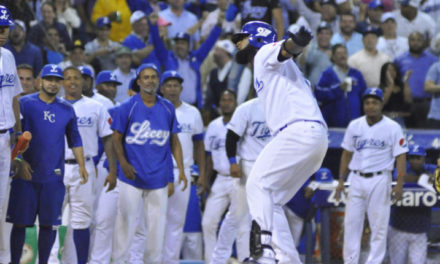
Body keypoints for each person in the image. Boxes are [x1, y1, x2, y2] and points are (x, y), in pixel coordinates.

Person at [232, 21, 328, 263]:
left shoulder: (265, 52)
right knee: (271, 200)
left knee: (257, 184)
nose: (237, 43)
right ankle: (287, 259)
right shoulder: (273, 68)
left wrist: (298, 42)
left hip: (297, 131)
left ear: (256, 38)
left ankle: (263, 253)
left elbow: (285, 50)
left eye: (241, 38)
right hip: (314, 137)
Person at [7, 64, 87, 264]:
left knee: (48, 225)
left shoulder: (67, 109)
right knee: (19, 224)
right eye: (49, 79)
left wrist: (82, 166)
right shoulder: (24, 104)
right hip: (26, 174)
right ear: (40, 81)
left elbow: (75, 139)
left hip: (53, 176)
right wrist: (18, 160)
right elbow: (13, 137)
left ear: (60, 84)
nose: (53, 83)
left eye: (56, 80)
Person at [111, 63, 187, 263]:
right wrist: (123, 164)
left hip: (158, 178)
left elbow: (174, 141)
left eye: (154, 77)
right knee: (124, 228)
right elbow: (116, 139)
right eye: (146, 77)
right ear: (138, 81)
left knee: (156, 231)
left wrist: (180, 170)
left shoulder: (167, 108)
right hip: (131, 177)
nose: (150, 81)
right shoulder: (128, 107)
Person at [335, 88, 408, 264]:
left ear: (382, 104)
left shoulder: (393, 127)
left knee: (379, 227)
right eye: (367, 102)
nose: (370, 106)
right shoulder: (355, 125)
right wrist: (341, 180)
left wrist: (399, 183)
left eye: (375, 102)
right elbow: (346, 154)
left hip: (380, 178)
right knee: (352, 225)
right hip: (356, 178)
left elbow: (401, 156)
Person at [54, 66, 116, 264]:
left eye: (76, 78)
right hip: (57, 167)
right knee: (52, 219)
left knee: (83, 221)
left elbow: (108, 139)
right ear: (63, 82)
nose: (72, 81)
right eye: (68, 78)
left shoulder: (96, 106)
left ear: (83, 82)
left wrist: (113, 170)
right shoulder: (54, 105)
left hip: (86, 167)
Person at [213, 96, 272, 263]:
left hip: (272, 167)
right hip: (248, 166)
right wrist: (233, 162)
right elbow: (231, 137)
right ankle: (218, 258)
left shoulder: (280, 107)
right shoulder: (248, 107)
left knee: (268, 216)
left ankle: (260, 258)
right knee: (236, 215)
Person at [159, 70, 206, 264]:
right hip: (157, 172)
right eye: (168, 85)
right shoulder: (155, 108)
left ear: (181, 88)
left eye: (175, 85)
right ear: (162, 88)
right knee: (154, 221)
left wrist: (202, 173)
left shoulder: (192, 112)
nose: (172, 89)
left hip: (182, 172)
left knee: (176, 222)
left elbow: (199, 145)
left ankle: (170, 261)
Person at [149, 12, 223, 108]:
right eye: (177, 43)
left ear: (189, 46)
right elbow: (157, 43)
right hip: (170, 107)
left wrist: (219, 26)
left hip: (193, 106)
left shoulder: (196, 58)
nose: (180, 46)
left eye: (183, 43)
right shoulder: (167, 58)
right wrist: (154, 26)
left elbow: (209, 43)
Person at [201, 90, 237, 264]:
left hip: (240, 179)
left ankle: (245, 259)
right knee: (208, 222)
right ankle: (213, 261)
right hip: (221, 178)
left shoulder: (242, 122)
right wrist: (206, 180)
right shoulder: (213, 126)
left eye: (230, 99)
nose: (226, 103)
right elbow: (208, 156)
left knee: (243, 224)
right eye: (223, 100)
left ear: (236, 103)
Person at [0, 7, 23, 264]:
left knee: (1, 203)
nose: (2, 32)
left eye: (5, 27)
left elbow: (14, 96)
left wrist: (17, 130)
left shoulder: (8, 56)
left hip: (5, 136)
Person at [388, 144, 436, 264]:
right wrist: (423, 178)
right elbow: (401, 178)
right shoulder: (400, 169)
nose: (414, 161)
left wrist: (430, 177)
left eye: (418, 158)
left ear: (424, 159)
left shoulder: (430, 168)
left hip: (420, 231)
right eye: (412, 158)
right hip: (398, 229)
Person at [315, 44, 367, 127]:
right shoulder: (327, 74)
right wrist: (338, 89)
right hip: (333, 124)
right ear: (333, 57)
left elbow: (364, 96)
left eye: (344, 53)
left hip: (355, 123)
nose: (342, 56)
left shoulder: (356, 74)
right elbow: (318, 94)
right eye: (339, 53)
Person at [394, 31, 438, 128]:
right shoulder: (399, 60)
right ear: (408, 42)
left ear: (423, 42)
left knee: (427, 134)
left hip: (428, 103)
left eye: (419, 40)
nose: (415, 43)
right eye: (413, 40)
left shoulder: (433, 60)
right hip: (407, 104)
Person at [203, 39, 251, 121]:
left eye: (217, 50)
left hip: (236, 117)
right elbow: (208, 97)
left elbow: (240, 98)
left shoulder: (244, 72)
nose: (214, 53)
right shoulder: (213, 73)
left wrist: (227, 110)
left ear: (225, 52)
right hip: (215, 118)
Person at [297, 21, 333, 87]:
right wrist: (304, 50)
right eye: (321, 33)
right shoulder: (309, 48)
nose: (324, 36)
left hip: (330, 90)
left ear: (331, 35)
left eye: (327, 33)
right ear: (317, 35)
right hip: (311, 89)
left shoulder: (335, 51)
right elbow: (300, 65)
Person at [379, 62, 412, 126]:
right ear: (384, 72)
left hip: (403, 118)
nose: (392, 72)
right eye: (389, 70)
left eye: (393, 70)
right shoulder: (380, 88)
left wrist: (406, 82)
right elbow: (382, 103)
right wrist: (391, 85)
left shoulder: (402, 86)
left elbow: (408, 100)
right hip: (386, 118)